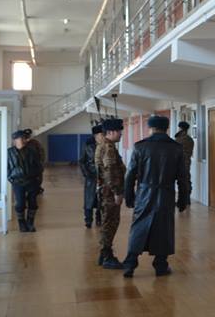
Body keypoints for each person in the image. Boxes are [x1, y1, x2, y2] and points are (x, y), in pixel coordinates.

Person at [122, 115, 191, 278]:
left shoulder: (140, 147)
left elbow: (130, 175)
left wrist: (129, 196)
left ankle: (130, 264)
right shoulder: (176, 148)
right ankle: (160, 265)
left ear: (151, 128)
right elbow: (183, 177)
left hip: (144, 193)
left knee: (138, 227)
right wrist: (183, 199)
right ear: (167, 128)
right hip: (166, 194)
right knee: (164, 228)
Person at [96, 118, 127, 268]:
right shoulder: (108, 148)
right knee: (110, 222)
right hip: (109, 192)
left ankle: (104, 255)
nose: (121, 134)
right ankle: (107, 256)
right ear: (111, 132)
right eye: (119, 131)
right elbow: (110, 171)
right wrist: (117, 191)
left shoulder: (104, 145)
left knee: (107, 222)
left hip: (105, 190)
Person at [8, 130, 43, 232]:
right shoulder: (9, 152)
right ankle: (21, 223)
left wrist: (37, 178)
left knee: (33, 203)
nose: (23, 140)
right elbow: (7, 168)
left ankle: (30, 222)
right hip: (17, 182)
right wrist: (11, 178)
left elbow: (39, 165)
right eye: (21, 138)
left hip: (32, 181)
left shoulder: (32, 151)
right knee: (20, 204)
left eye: (24, 138)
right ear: (15, 140)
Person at [79, 130, 102, 228]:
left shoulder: (106, 146)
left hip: (103, 177)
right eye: (101, 134)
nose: (103, 136)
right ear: (96, 136)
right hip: (91, 177)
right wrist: (87, 174)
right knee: (89, 199)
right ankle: (88, 219)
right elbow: (82, 162)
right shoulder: (88, 147)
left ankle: (99, 217)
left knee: (101, 199)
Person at [23, 128, 46, 195]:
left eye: (28, 135)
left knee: (38, 178)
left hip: (36, 164)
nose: (27, 136)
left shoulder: (35, 143)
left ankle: (37, 188)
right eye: (26, 135)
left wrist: (41, 163)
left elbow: (42, 153)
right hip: (26, 165)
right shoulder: (22, 143)